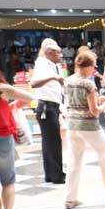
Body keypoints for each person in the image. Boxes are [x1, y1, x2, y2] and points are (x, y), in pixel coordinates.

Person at [63, 51, 105, 209]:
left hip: (72, 124)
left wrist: (99, 100)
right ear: (88, 66)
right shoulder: (88, 84)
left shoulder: (68, 80)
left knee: (74, 160)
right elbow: (95, 112)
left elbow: (76, 102)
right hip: (88, 125)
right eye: (93, 66)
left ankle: (70, 198)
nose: (94, 69)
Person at [0, 75, 34, 209]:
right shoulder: (2, 89)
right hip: (3, 138)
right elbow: (29, 98)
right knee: (8, 181)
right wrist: (9, 105)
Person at [30, 40, 65, 184]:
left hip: (54, 105)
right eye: (58, 53)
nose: (61, 56)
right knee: (53, 142)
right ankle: (56, 175)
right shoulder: (42, 64)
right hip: (46, 106)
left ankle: (52, 174)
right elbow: (33, 83)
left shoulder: (54, 65)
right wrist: (53, 77)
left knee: (50, 142)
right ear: (49, 52)